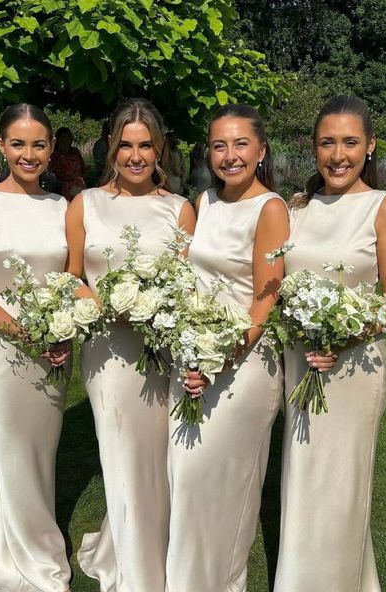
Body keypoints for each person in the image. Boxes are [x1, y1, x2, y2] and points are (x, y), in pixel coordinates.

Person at [273, 95, 386, 592]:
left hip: (354, 370)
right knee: (304, 480)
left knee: (341, 487)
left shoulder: (383, 207)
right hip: (300, 364)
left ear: (370, 146)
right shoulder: (297, 207)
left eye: (350, 142)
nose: (338, 155)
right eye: (327, 142)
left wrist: (342, 335)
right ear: (313, 149)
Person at [66, 98, 196, 591]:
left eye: (146, 145)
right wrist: (107, 306)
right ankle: (136, 572)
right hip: (108, 351)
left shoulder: (179, 209)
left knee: (158, 456)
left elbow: (187, 282)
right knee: (121, 453)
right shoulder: (86, 203)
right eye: (126, 145)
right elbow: (73, 276)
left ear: (159, 150)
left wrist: (157, 309)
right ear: (111, 149)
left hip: (162, 351)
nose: (136, 156)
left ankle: (148, 544)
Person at [166, 104, 289, 592]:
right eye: (219, 145)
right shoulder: (204, 201)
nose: (230, 155)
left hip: (244, 364)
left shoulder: (271, 208)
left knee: (223, 483)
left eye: (241, 144)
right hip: (193, 358)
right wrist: (187, 349)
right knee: (188, 479)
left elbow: (265, 302)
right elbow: (183, 276)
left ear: (260, 151)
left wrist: (218, 360)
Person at [0, 104, 72, 592]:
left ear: (50, 149)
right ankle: (35, 557)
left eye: (39, 144)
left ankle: (16, 541)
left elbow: (70, 278)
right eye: (19, 144)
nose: (29, 154)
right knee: (11, 453)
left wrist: (67, 325)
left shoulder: (61, 205)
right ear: (2, 146)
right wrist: (31, 337)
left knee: (39, 455)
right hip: (3, 351)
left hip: (55, 350)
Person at [49, 126, 87, 201]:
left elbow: (82, 166)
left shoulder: (75, 152)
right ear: (59, 139)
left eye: (69, 136)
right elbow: (53, 172)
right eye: (64, 137)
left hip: (79, 185)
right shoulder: (54, 155)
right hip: (63, 187)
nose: (67, 139)